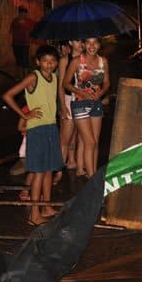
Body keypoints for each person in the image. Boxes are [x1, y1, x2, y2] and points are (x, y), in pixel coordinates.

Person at [2, 45, 63, 226]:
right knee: (38, 173)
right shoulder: (33, 77)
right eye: (45, 61)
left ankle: (46, 207)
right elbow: (8, 96)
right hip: (37, 130)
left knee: (48, 170)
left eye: (52, 61)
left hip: (51, 128)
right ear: (38, 62)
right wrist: (25, 115)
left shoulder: (54, 77)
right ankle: (34, 215)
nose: (49, 64)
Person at [63, 36, 109, 179]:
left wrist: (101, 93)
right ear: (83, 45)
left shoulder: (103, 61)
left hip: (96, 103)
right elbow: (66, 83)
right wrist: (82, 93)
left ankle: (92, 173)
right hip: (80, 103)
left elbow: (107, 82)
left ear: (99, 45)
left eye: (95, 42)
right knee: (90, 142)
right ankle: (92, 177)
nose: (92, 46)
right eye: (88, 42)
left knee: (95, 142)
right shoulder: (77, 61)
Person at [58, 39, 84, 177]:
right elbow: (61, 86)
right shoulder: (65, 60)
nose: (81, 44)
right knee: (65, 138)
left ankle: (76, 163)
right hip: (69, 99)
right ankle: (58, 171)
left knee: (80, 136)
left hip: (83, 100)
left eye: (82, 41)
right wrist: (63, 106)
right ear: (70, 42)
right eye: (77, 41)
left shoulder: (87, 58)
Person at [9, 6, 35, 78]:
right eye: (22, 13)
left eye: (25, 13)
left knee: (25, 60)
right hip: (16, 44)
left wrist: (31, 39)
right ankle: (20, 77)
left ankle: (25, 77)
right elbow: (11, 31)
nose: (23, 15)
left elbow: (34, 29)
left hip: (25, 44)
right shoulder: (15, 21)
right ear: (19, 13)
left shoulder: (29, 21)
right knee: (18, 60)